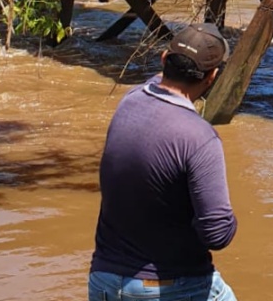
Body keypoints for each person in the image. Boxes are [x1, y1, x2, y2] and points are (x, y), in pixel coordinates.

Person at [89, 23, 239, 301]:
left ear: (163, 59)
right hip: (169, 286)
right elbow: (217, 235)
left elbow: (155, 84)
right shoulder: (200, 138)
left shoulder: (129, 101)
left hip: (104, 280)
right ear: (212, 77)